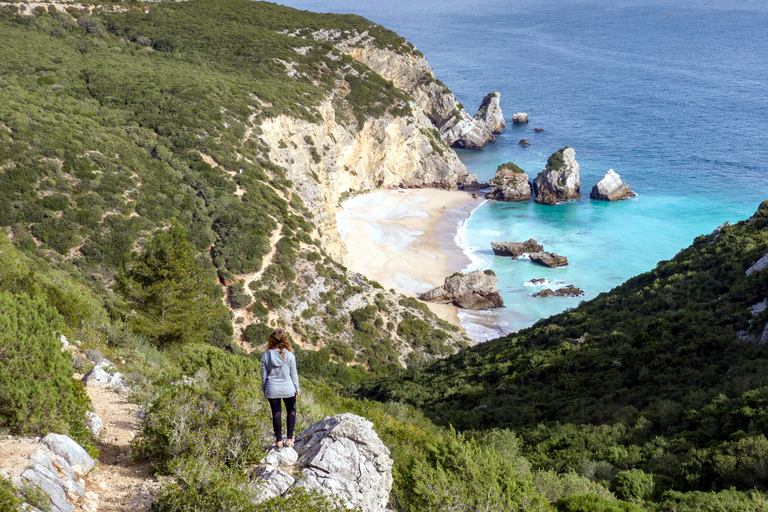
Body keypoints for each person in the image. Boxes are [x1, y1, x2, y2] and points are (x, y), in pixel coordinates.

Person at [260, 329, 300, 448]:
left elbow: (264, 376)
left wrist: (264, 390)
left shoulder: (266, 356)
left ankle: (278, 441)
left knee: (276, 414)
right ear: (285, 340)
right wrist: (296, 389)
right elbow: (294, 374)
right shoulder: (290, 356)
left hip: (272, 388)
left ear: (271, 341)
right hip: (288, 388)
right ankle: (289, 440)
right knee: (291, 411)